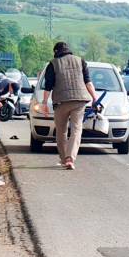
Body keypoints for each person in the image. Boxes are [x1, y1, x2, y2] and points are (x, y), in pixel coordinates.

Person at [41, 42, 99, 170]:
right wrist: (95, 98)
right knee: (76, 130)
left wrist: (44, 103)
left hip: (61, 102)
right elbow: (88, 82)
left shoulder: (53, 63)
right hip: (79, 100)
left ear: (56, 51)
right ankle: (70, 158)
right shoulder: (80, 61)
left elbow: (48, 86)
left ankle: (64, 159)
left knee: (61, 131)